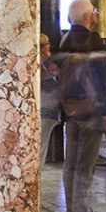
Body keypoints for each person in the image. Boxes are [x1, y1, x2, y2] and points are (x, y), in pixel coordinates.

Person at [56, 0, 106, 212]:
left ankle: (73, 211)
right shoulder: (92, 40)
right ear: (89, 16)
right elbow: (100, 78)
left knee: (71, 164)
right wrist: (105, 112)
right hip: (91, 110)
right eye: (94, 11)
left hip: (70, 110)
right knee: (86, 165)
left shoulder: (65, 39)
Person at [39, 34, 61, 163]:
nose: (49, 46)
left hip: (47, 115)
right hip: (43, 114)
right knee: (39, 152)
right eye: (47, 44)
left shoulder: (42, 65)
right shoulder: (37, 65)